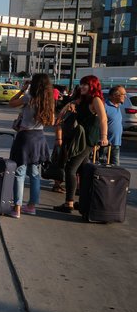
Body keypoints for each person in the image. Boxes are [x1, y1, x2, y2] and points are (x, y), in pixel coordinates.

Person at [53, 75, 108, 213]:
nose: (82, 87)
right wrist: (69, 104)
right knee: (83, 171)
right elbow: (60, 116)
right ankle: (84, 201)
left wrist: (104, 137)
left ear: (93, 86)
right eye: (82, 84)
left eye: (86, 85)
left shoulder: (96, 100)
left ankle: (69, 203)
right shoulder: (82, 100)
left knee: (71, 168)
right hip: (79, 139)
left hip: (87, 140)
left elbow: (103, 119)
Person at [6, 74, 54, 218]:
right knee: (34, 174)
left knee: (20, 173)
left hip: (25, 137)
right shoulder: (49, 101)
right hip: (39, 137)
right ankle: (31, 206)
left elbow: (11, 102)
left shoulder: (29, 98)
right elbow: (51, 121)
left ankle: (17, 208)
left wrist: (22, 90)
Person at [104, 85, 126, 165]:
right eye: (123, 94)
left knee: (116, 169)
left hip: (116, 143)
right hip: (104, 144)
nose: (125, 96)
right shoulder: (104, 106)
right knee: (100, 168)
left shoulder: (118, 106)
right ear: (114, 95)